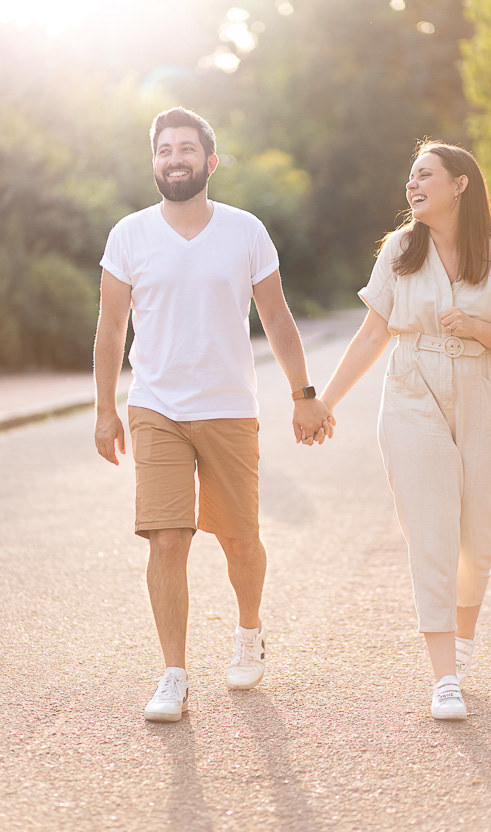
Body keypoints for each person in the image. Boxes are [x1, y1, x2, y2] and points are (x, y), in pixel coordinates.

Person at [93, 106, 334, 723]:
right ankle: (173, 673)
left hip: (229, 407)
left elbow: (276, 318)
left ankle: (249, 630)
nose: (175, 158)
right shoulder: (129, 235)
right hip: (156, 407)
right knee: (167, 539)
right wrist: (104, 409)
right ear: (155, 163)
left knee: (238, 539)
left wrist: (303, 394)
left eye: (186, 149)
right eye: (165, 150)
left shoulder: (245, 231)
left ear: (211, 161)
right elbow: (111, 325)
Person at [318, 140, 491, 720]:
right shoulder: (398, 251)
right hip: (412, 393)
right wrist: (324, 402)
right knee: (431, 531)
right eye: (410, 178)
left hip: (483, 398)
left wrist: (474, 327)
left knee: (478, 536)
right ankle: (445, 676)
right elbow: (372, 334)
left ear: (460, 184)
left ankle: (463, 641)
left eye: (424, 175)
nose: (412, 186)